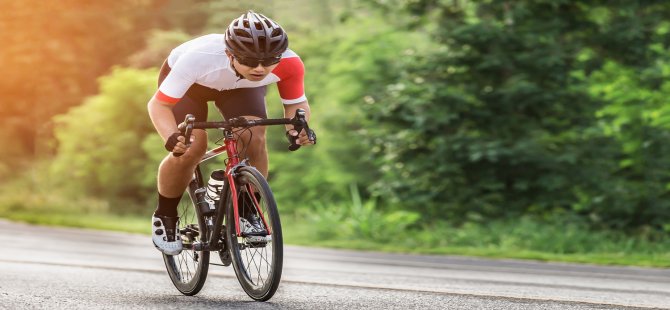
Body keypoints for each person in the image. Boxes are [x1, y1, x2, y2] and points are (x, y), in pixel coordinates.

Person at [147, 11, 315, 255]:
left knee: (253, 135)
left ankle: (248, 209)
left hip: (241, 88)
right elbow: (159, 105)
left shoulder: (289, 63)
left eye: (269, 61)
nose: (260, 68)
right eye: (249, 60)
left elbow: (296, 104)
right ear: (230, 54)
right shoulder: (198, 58)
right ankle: (165, 214)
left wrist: (297, 129)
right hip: (193, 87)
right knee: (192, 147)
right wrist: (172, 137)